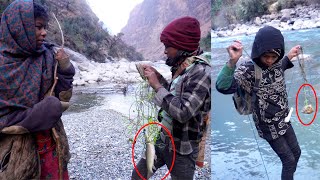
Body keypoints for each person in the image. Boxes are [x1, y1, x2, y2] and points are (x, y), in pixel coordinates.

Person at [0, 0, 75, 179]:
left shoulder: (47, 56)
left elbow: (62, 96)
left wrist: (65, 69)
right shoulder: (3, 64)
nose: (44, 32)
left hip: (51, 144)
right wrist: (35, 115)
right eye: (38, 27)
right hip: (15, 154)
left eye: (45, 27)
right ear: (19, 27)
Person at [216, 26, 301, 180]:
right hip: (267, 125)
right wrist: (232, 61)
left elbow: (280, 66)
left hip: (284, 119)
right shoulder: (248, 70)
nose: (269, 60)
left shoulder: (276, 63)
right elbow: (222, 87)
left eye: (273, 57)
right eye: (265, 56)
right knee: (288, 160)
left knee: (297, 153)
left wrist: (289, 56)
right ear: (258, 52)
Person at [131, 16, 211, 180]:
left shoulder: (202, 73)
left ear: (182, 46)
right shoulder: (183, 64)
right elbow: (174, 94)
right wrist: (156, 77)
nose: (165, 51)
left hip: (182, 147)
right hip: (162, 139)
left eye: (168, 46)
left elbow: (183, 111)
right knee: (138, 175)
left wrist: (157, 86)